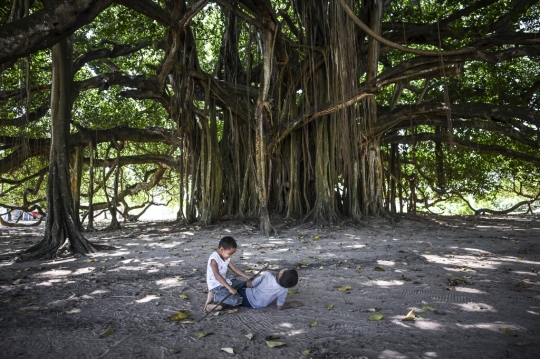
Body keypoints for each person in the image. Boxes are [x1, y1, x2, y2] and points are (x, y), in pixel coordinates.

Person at [204, 236, 251, 312]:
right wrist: (230, 288)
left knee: (245, 284)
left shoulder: (225, 257)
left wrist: (247, 276)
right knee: (237, 300)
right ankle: (214, 296)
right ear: (222, 249)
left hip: (225, 282)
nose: (230, 256)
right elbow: (217, 275)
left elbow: (234, 269)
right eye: (230, 254)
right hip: (217, 286)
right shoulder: (214, 259)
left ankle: (218, 305)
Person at [238, 269, 303, 310]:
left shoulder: (267, 275)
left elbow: (251, 285)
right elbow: (279, 307)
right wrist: (292, 304)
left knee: (235, 284)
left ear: (281, 273)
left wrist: (249, 280)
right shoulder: (284, 290)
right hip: (257, 305)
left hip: (246, 295)